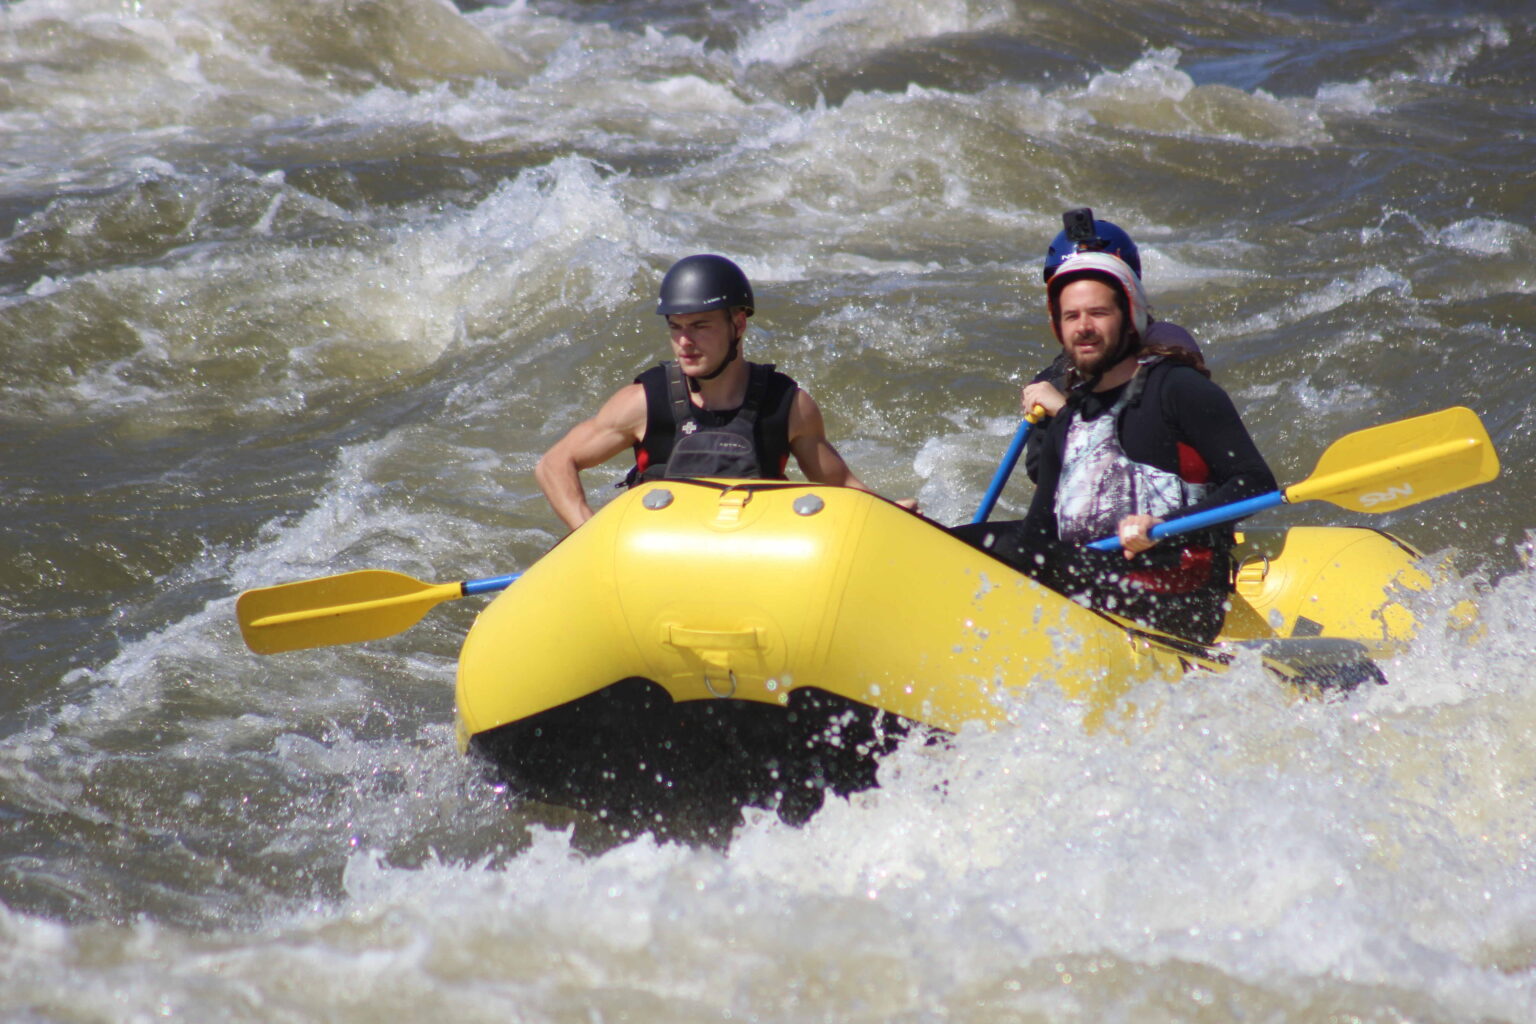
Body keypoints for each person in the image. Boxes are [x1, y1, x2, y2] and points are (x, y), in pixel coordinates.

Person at [956, 250, 1276, 642]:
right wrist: (929, 539)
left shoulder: (1179, 389)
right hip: (1094, 577)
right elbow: (1037, 537)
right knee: (970, 544)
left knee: (989, 547)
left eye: (1098, 313)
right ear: (1058, 329)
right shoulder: (1069, 420)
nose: (1084, 327)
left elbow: (1254, 483)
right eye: (1071, 316)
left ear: (1130, 318)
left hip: (1180, 594)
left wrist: (1165, 526)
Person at [535, 254, 889, 531]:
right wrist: (590, 532)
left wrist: (895, 514)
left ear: (738, 324)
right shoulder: (642, 402)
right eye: (676, 327)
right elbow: (554, 464)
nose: (684, 342)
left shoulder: (788, 406)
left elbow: (843, 487)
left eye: (700, 326)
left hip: (748, 561)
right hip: (659, 563)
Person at [1024, 209, 1202, 482]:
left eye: (1098, 307)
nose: (1084, 322)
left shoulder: (1168, 355)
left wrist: (1063, 413)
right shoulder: (1051, 381)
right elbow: (1043, 475)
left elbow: (1150, 453)